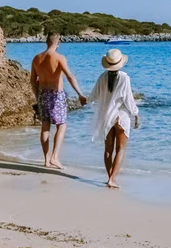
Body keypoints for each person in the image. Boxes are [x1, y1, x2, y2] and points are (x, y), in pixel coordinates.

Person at [30, 32, 87, 169]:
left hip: (43, 93)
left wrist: (37, 95)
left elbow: (32, 80)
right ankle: (54, 157)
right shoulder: (59, 57)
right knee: (61, 125)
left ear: (47, 42)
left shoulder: (36, 58)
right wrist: (80, 94)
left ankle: (46, 160)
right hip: (56, 95)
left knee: (45, 126)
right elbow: (70, 76)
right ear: (57, 43)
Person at [89, 48, 139, 189]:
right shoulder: (124, 78)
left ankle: (109, 177)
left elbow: (93, 96)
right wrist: (135, 113)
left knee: (108, 150)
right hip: (121, 118)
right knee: (121, 149)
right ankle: (112, 178)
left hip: (107, 118)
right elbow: (128, 99)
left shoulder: (102, 77)